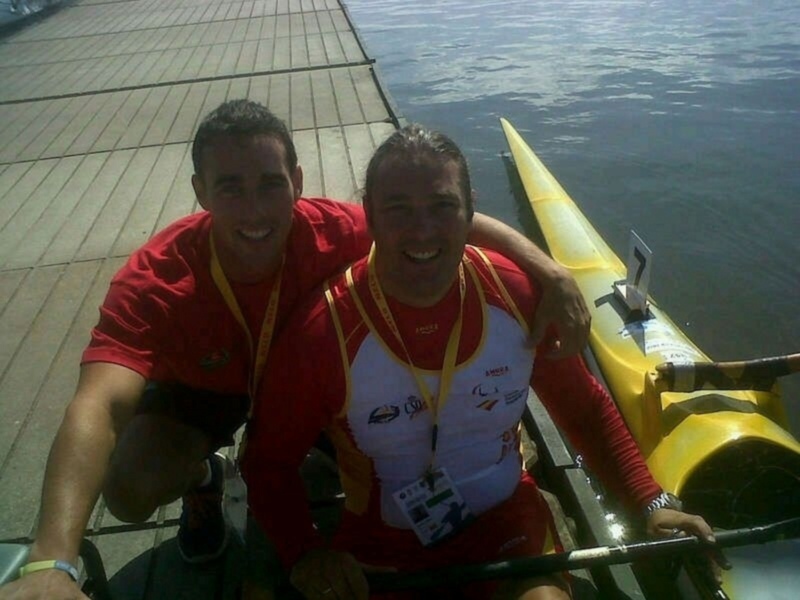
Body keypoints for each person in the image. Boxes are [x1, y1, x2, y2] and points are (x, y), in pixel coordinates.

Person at [0, 101, 591, 600]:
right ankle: (205, 478)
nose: (255, 211)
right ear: (199, 192)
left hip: (310, 383)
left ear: (299, 183)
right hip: (208, 393)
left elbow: (434, 220)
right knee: (127, 491)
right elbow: (98, 405)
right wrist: (53, 558)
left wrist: (549, 272)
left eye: (270, 185)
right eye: (230, 188)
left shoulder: (339, 228)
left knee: (368, 443)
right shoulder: (155, 279)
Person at [242, 124, 717, 599]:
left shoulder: (517, 295)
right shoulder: (322, 333)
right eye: (398, 209)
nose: (422, 230)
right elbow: (267, 465)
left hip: (506, 524)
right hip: (383, 547)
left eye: (443, 207)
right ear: (368, 215)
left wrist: (649, 500)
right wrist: (305, 551)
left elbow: (585, 411)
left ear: (471, 211)